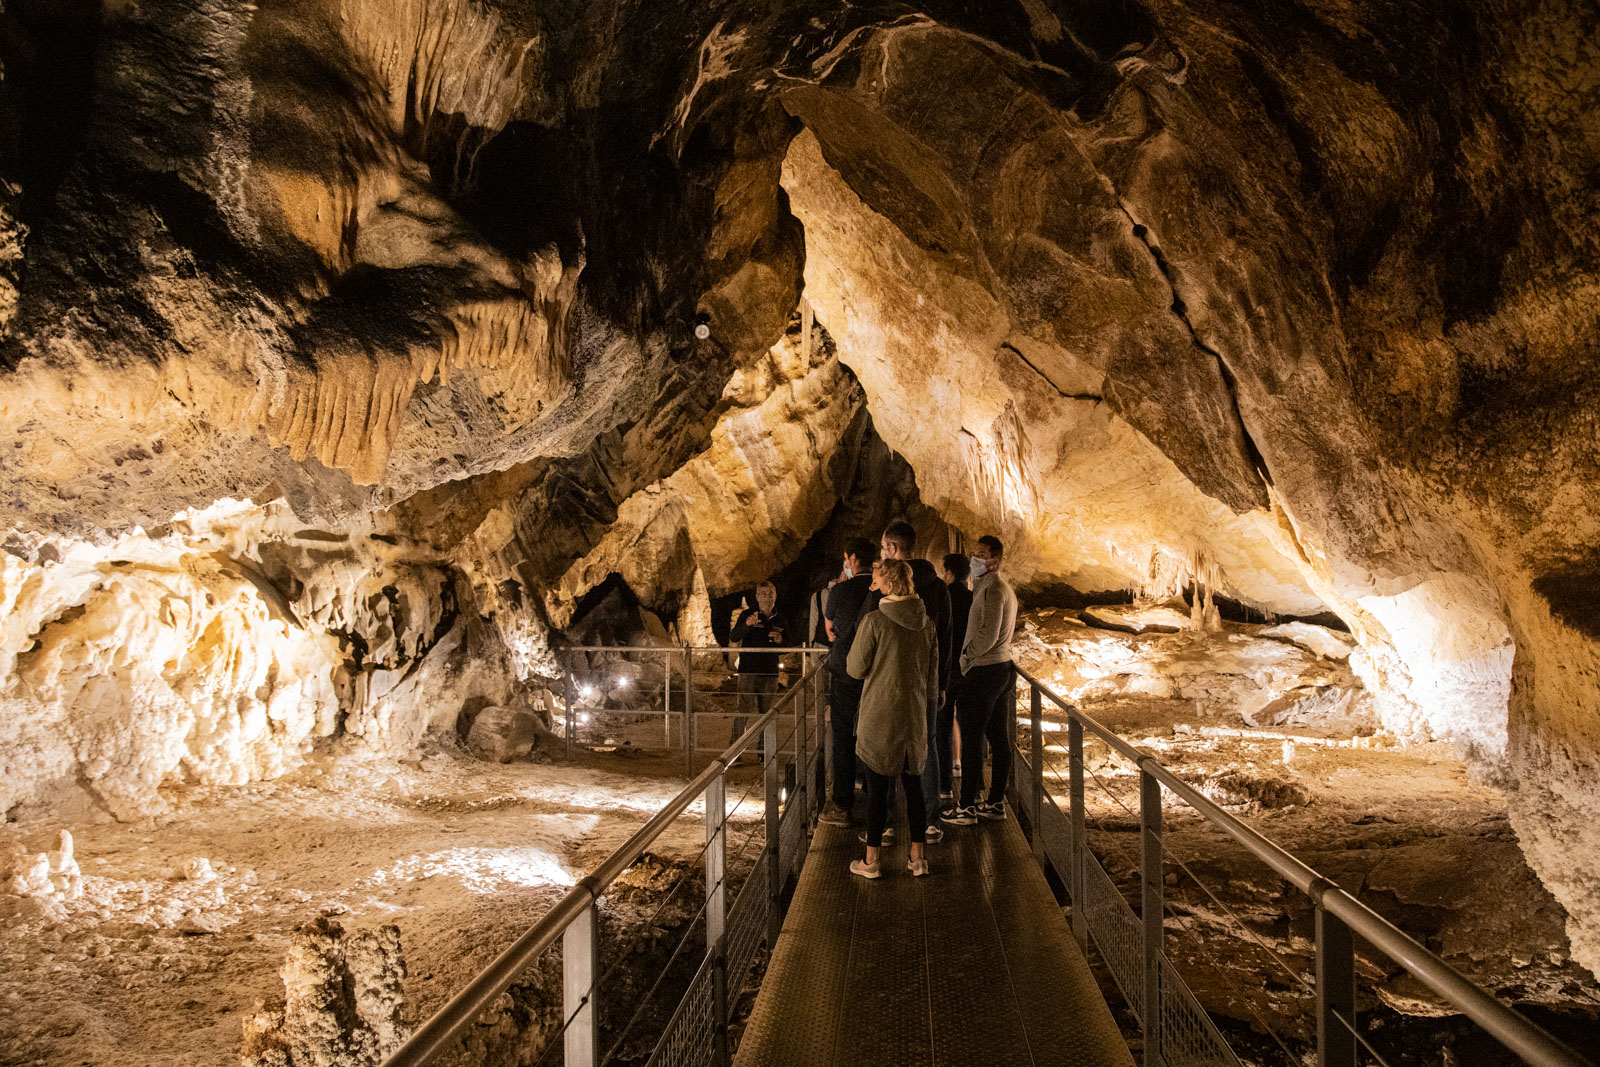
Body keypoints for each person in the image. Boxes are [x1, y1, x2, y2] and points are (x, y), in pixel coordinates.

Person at [856, 520, 951, 843]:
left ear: (893, 550)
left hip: (884, 690)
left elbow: (861, 646)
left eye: (883, 549)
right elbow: (946, 638)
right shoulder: (937, 586)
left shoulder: (882, 594)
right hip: (922, 685)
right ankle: (928, 824)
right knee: (923, 751)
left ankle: (880, 827)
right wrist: (940, 684)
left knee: (878, 756)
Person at [846, 559, 937, 878]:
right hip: (913, 716)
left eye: (876, 579)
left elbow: (854, 668)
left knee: (876, 790)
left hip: (880, 715)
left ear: (886, 584)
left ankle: (871, 862)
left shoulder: (875, 621)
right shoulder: (926, 623)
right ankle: (917, 858)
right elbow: (932, 675)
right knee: (914, 789)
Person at [942, 535, 1019, 826]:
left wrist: (965, 658)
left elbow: (987, 634)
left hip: (985, 670)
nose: (975, 559)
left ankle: (967, 807)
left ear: (995, 561)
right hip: (1000, 668)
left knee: (973, 738)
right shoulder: (995, 587)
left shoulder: (991, 590)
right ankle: (995, 802)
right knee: (998, 736)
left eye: (981, 554)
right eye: (974, 553)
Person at [818, 538, 878, 825]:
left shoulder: (839, 591)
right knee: (873, 732)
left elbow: (828, 629)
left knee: (842, 735)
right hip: (875, 672)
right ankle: (874, 797)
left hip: (844, 672)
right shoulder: (879, 592)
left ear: (853, 559)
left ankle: (841, 803)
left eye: (846, 558)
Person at [730, 581, 788, 745]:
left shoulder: (780, 619)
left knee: (767, 713)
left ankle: (764, 750)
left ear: (775, 595)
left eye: (770, 593)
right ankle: (735, 747)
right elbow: (734, 636)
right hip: (748, 670)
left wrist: (781, 640)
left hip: (769, 671)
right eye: (762, 593)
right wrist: (747, 625)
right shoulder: (747, 615)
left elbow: (788, 645)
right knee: (743, 710)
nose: (766, 597)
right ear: (756, 596)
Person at [938, 552, 974, 800]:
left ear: (949, 573)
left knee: (942, 727)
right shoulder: (973, 599)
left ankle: (944, 785)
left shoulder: (944, 598)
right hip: (969, 668)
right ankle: (974, 789)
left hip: (948, 669)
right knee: (970, 726)